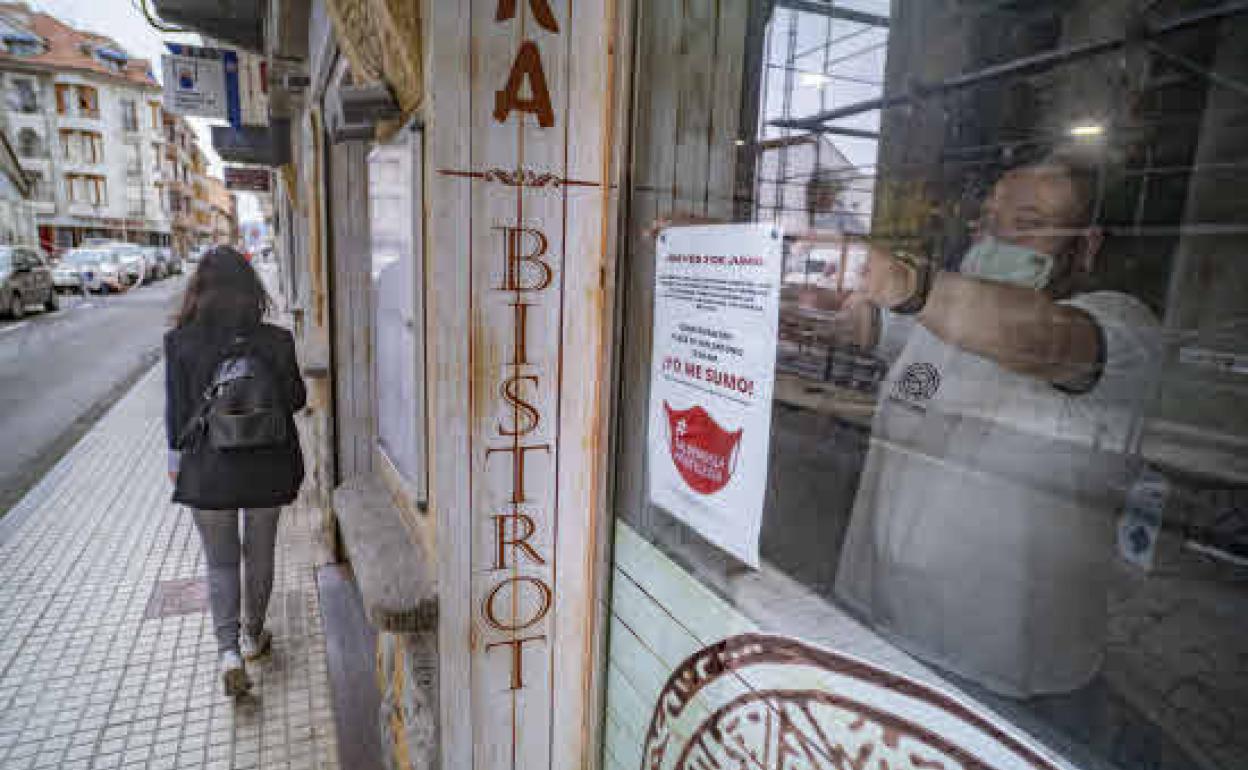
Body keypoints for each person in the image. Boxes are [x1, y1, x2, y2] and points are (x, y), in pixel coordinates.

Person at [834, 156, 1160, 699]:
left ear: (1088, 245)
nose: (997, 237)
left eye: (1028, 224)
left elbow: (1043, 340)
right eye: (987, 220)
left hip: (1006, 673)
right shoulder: (942, 314)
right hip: (882, 624)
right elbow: (854, 317)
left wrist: (903, 282)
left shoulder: (1123, 329)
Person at [164, 246, 306, 697]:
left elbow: (178, 412)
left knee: (220, 560)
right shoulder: (276, 340)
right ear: (251, 288)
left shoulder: (180, 342)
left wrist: (175, 461)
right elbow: (298, 400)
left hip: (208, 468)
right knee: (259, 553)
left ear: (199, 290)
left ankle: (227, 653)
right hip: (268, 466)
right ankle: (253, 636)